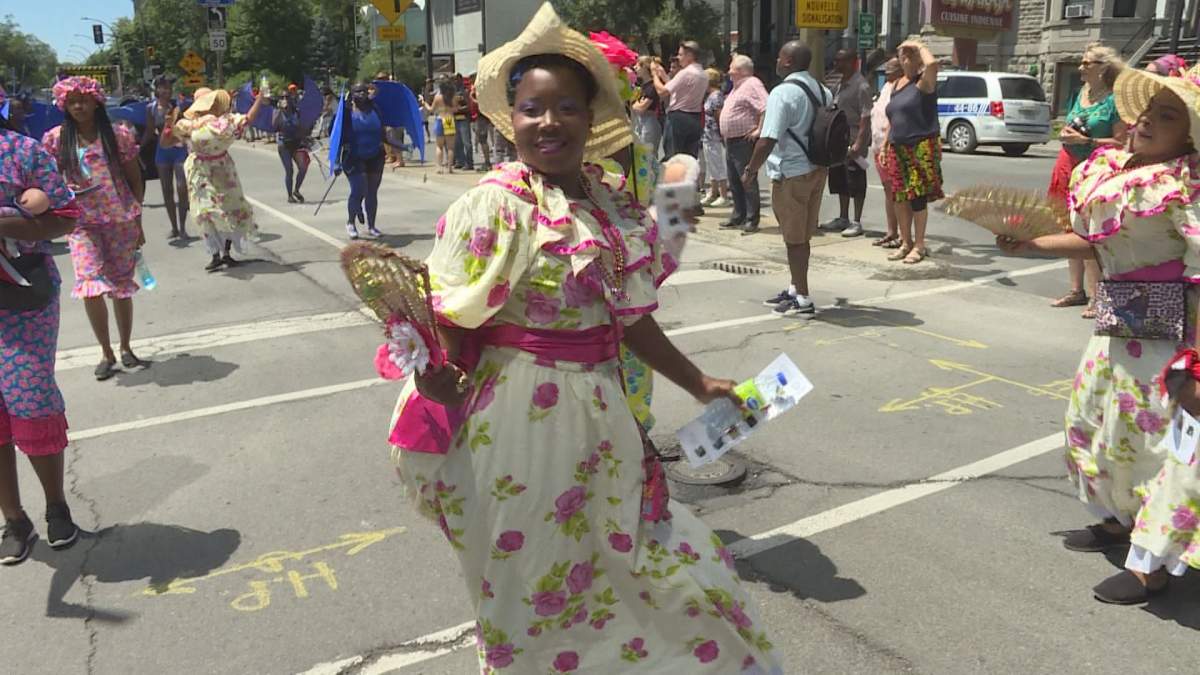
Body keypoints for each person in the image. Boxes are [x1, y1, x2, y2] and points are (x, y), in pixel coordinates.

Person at [380, 6, 783, 672]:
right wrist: (430, 371)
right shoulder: (492, 204)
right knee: (530, 594)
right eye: (533, 107)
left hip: (603, 422)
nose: (548, 121)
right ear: (511, 118)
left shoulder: (612, 202)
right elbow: (440, 314)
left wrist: (699, 382)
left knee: (657, 565)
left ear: (591, 118)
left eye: (566, 106)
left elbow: (628, 318)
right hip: (513, 432)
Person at [997, 65, 1200, 605]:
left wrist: (1197, 364)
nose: (1147, 122)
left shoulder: (1187, 183)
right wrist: (1032, 245)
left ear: (1192, 133)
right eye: (1147, 111)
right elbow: (1092, 241)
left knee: (1160, 446)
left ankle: (1149, 565)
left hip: (1168, 338)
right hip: (1114, 326)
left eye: (1168, 115)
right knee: (1094, 424)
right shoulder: (1113, 168)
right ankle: (1115, 520)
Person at [0, 86, 82, 564]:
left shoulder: (21, 151)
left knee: (29, 396)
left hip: (22, 298)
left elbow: (66, 219)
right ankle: (14, 519)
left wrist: (7, 223)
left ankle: (56, 506)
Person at [41, 76, 147, 381]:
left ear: (96, 101)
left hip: (119, 219)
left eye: (83, 100)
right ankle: (106, 352)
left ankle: (126, 347)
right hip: (81, 224)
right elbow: (49, 179)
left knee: (120, 286)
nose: (78, 106)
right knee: (89, 284)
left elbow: (134, 179)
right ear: (63, 104)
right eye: (71, 101)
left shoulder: (118, 135)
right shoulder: (57, 139)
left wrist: (137, 221)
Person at [742, 41, 831, 317]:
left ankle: (803, 300)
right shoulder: (822, 90)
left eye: (780, 57)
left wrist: (750, 170)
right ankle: (795, 287)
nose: (777, 62)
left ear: (789, 62)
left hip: (791, 173)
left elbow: (768, 138)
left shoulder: (782, 93)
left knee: (794, 239)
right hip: (816, 169)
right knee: (802, 235)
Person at [1049, 43, 1126, 317]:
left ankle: (1096, 295)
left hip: (1096, 168)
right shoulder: (1078, 93)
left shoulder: (1114, 100)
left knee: (1090, 231)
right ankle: (1075, 290)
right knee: (1068, 227)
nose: (1080, 67)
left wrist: (1088, 140)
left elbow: (1122, 141)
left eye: (1086, 63)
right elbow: (1067, 123)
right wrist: (1067, 134)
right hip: (1067, 164)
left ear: (1103, 67)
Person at [165, 87, 266, 271]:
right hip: (215, 170)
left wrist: (169, 128)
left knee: (214, 211)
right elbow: (248, 119)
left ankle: (220, 254)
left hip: (206, 170)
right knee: (218, 210)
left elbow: (168, 142)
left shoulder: (196, 124)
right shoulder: (216, 122)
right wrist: (259, 100)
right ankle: (221, 254)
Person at [881, 40, 942, 265]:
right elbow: (893, 117)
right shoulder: (897, 84)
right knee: (899, 196)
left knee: (917, 196)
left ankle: (919, 245)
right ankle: (905, 242)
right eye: (902, 54)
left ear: (917, 59)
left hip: (920, 145)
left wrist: (918, 45)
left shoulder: (923, 82)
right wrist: (886, 144)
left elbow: (933, 64)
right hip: (897, 145)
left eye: (910, 55)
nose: (905, 57)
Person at [820, 49, 873, 238]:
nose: (837, 64)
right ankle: (843, 217)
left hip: (853, 140)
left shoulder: (861, 86)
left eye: (841, 60)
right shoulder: (839, 84)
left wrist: (859, 143)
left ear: (852, 62)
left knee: (856, 182)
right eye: (836, 60)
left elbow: (866, 117)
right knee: (840, 180)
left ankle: (856, 221)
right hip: (839, 141)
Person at [719, 54, 768, 234]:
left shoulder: (752, 84)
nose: (728, 72)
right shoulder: (737, 87)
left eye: (731, 68)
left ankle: (751, 218)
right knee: (734, 180)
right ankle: (738, 214)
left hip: (743, 140)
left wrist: (758, 130)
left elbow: (766, 106)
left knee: (746, 179)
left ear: (740, 70)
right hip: (731, 140)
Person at [338, 84, 386, 240]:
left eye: (364, 91)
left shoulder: (376, 110)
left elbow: (383, 135)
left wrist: (402, 146)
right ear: (351, 94)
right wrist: (336, 161)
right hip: (353, 157)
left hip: (376, 155)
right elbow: (336, 137)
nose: (362, 94)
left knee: (372, 192)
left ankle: (371, 226)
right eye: (358, 91)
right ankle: (351, 222)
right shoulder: (345, 113)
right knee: (359, 190)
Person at [144, 76, 190, 239]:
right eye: (163, 88)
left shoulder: (178, 106)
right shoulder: (151, 108)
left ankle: (183, 227)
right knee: (166, 190)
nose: (166, 91)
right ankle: (174, 228)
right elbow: (149, 132)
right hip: (162, 150)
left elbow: (186, 127)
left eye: (169, 88)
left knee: (182, 187)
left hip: (178, 148)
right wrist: (137, 149)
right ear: (156, 90)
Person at [652, 41, 707, 158]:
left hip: (678, 118)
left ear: (690, 56)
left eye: (681, 55)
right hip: (695, 118)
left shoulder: (685, 73)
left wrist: (655, 76)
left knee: (673, 157)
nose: (678, 58)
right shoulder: (703, 74)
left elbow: (662, 92)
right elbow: (678, 89)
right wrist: (663, 75)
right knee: (689, 159)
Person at [870, 59, 903, 250]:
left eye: (890, 69)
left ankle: (902, 235)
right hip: (878, 146)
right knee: (888, 191)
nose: (886, 72)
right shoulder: (886, 88)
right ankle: (891, 231)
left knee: (897, 191)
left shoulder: (902, 88)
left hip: (891, 146)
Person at [273, 86, 312, 203]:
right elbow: (275, 126)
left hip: (297, 142)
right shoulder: (277, 112)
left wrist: (306, 138)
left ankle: (297, 190)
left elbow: (302, 126)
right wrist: (281, 110)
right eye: (282, 97)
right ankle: (290, 195)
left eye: (287, 97)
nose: (285, 99)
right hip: (283, 144)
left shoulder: (297, 111)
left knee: (303, 168)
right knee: (289, 170)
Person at [700, 67, 730, 208]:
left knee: (718, 165)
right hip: (707, 135)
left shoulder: (717, 96)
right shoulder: (709, 96)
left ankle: (724, 195)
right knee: (712, 165)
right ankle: (713, 192)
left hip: (714, 136)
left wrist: (722, 135)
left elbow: (719, 117)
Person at [631, 56, 663, 155]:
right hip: (640, 123)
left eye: (638, 65)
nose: (635, 67)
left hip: (649, 124)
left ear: (645, 67)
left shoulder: (652, 87)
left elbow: (641, 108)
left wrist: (634, 103)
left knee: (649, 156)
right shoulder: (642, 86)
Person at [423, 79, 456, 174]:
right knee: (450, 147)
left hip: (440, 119)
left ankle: (439, 167)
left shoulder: (438, 97)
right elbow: (455, 109)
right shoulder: (452, 97)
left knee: (439, 146)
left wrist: (424, 104)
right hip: (449, 119)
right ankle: (450, 167)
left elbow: (431, 109)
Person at [452, 75, 475, 170]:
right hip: (454, 118)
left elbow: (469, 106)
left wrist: (460, 108)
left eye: (457, 79)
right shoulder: (452, 92)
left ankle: (469, 163)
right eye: (453, 80)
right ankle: (459, 161)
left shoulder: (465, 91)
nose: (455, 81)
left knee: (466, 142)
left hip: (464, 118)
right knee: (457, 142)